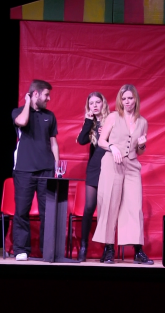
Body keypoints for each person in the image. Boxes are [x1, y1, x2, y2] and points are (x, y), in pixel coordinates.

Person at [93, 84, 152, 264]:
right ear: (121, 101)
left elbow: (140, 150)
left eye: (130, 98)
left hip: (132, 165)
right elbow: (102, 140)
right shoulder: (113, 117)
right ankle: (109, 249)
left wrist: (142, 144)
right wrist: (112, 147)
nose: (127, 102)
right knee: (110, 204)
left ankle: (137, 250)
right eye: (124, 99)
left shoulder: (142, 122)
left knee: (134, 207)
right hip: (113, 162)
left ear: (136, 99)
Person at [11, 79, 59, 261]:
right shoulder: (19, 112)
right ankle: (21, 249)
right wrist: (26, 102)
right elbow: (22, 122)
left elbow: (54, 142)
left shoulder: (50, 115)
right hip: (24, 170)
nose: (49, 98)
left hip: (46, 170)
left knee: (48, 212)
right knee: (22, 210)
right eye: (46, 94)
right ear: (35, 94)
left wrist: (57, 166)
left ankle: (47, 249)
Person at [76, 92, 110, 262]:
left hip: (110, 168)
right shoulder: (91, 123)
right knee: (89, 208)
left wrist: (109, 133)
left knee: (106, 210)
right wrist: (88, 121)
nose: (95, 105)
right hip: (94, 168)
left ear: (103, 103)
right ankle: (83, 246)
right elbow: (81, 140)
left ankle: (107, 249)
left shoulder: (112, 119)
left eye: (98, 102)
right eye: (91, 103)